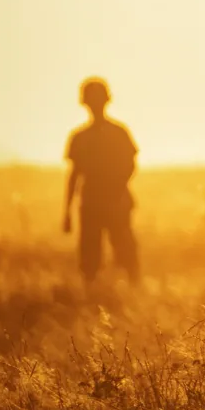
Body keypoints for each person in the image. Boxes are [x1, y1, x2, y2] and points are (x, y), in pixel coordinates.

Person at [63, 77, 140, 285]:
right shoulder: (88, 136)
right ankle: (98, 295)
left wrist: (114, 188)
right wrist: (67, 212)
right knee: (92, 257)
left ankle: (129, 290)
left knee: (124, 251)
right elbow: (74, 175)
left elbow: (130, 166)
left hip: (108, 201)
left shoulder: (87, 136)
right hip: (97, 202)